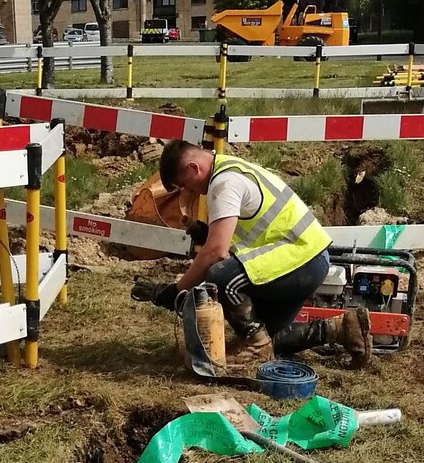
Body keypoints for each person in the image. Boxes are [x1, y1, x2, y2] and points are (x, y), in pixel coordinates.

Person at [148, 140, 370, 365]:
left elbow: (216, 252)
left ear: (193, 168)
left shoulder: (223, 184)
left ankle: (255, 345)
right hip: (309, 258)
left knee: (220, 277)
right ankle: (342, 328)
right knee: (265, 335)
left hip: (300, 260)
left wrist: (176, 290)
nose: (189, 192)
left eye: (185, 185)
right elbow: (247, 235)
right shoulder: (230, 167)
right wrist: (208, 235)